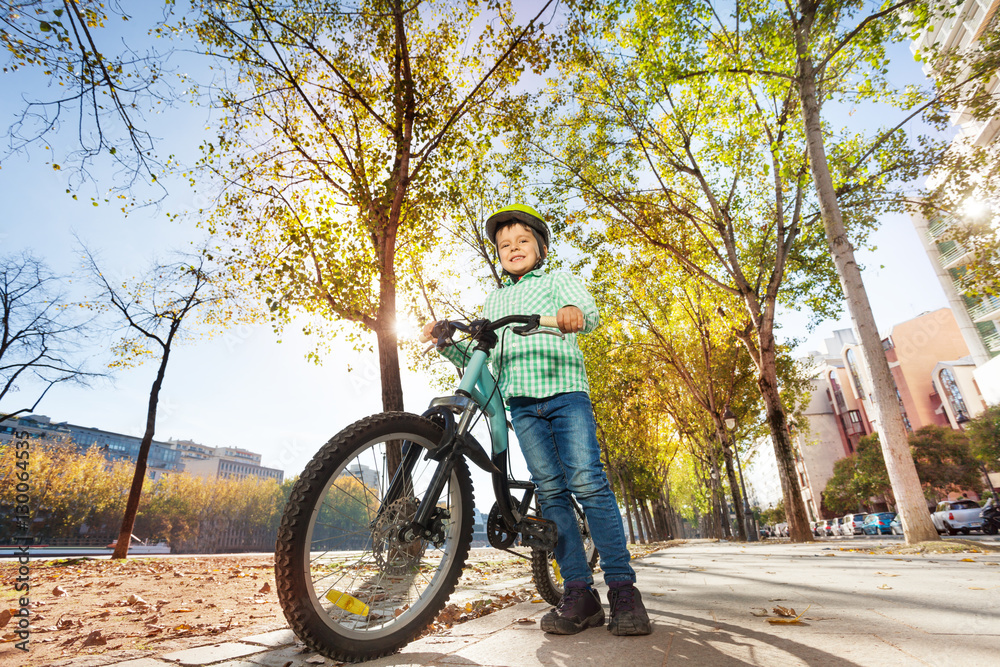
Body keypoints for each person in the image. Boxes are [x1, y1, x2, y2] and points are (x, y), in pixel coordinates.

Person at [422, 203, 651, 636]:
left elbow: (587, 310)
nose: (513, 248)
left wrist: (571, 314)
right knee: (552, 493)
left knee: (588, 482)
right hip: (523, 406)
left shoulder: (556, 280)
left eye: (522, 241)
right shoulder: (494, 299)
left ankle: (623, 589)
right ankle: (579, 593)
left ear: (541, 247)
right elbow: (482, 356)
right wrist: (447, 343)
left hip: (566, 394)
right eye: (504, 245)